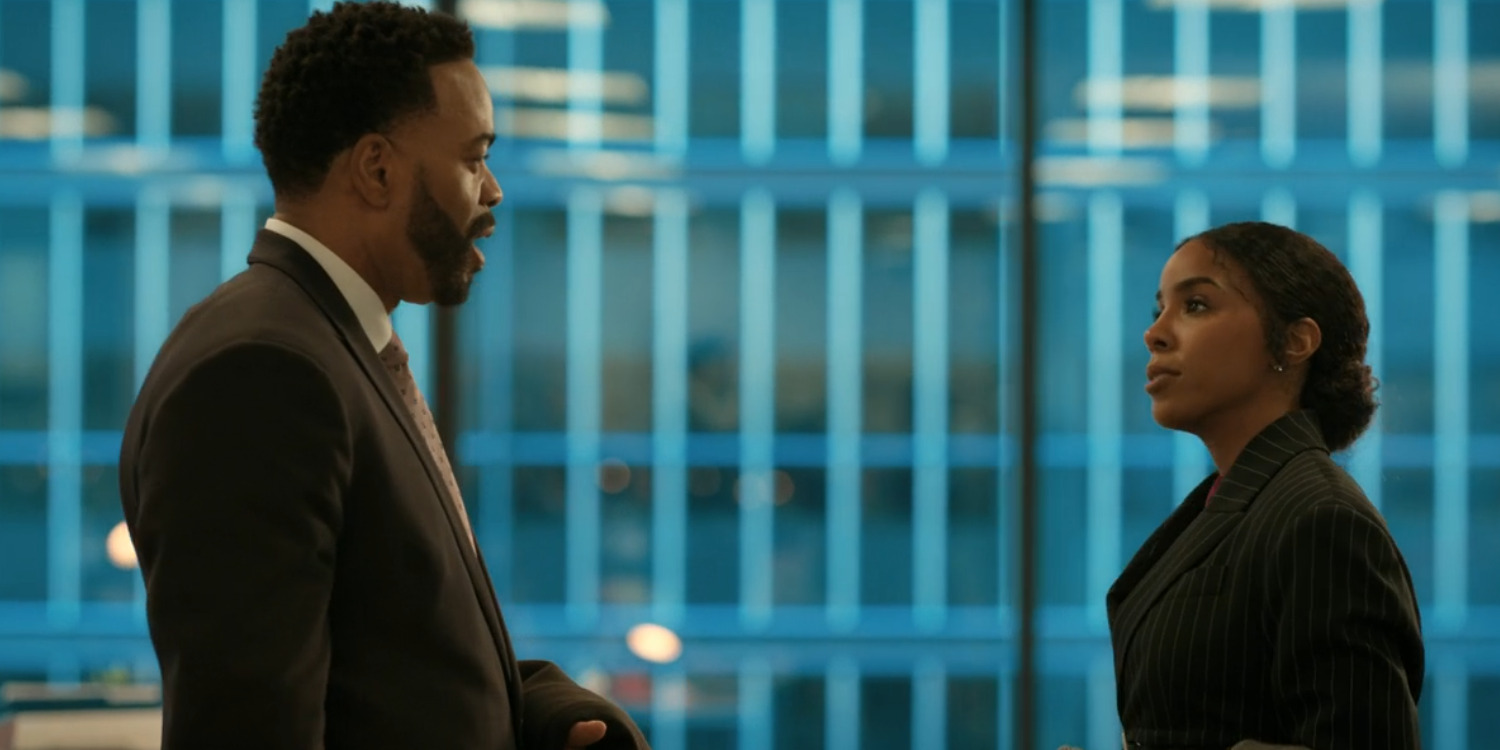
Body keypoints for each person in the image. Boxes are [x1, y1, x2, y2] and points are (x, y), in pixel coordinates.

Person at [118, 3, 650, 748]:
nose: (493, 190)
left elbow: (390, 667)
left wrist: (544, 713)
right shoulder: (264, 373)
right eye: (473, 159)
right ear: (377, 170)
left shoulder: (328, 344)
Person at [1107, 222, 1424, 749]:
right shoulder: (1237, 500)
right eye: (1159, 309)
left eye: (1196, 305)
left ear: (1295, 342)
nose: (1154, 333)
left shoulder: (1321, 518)